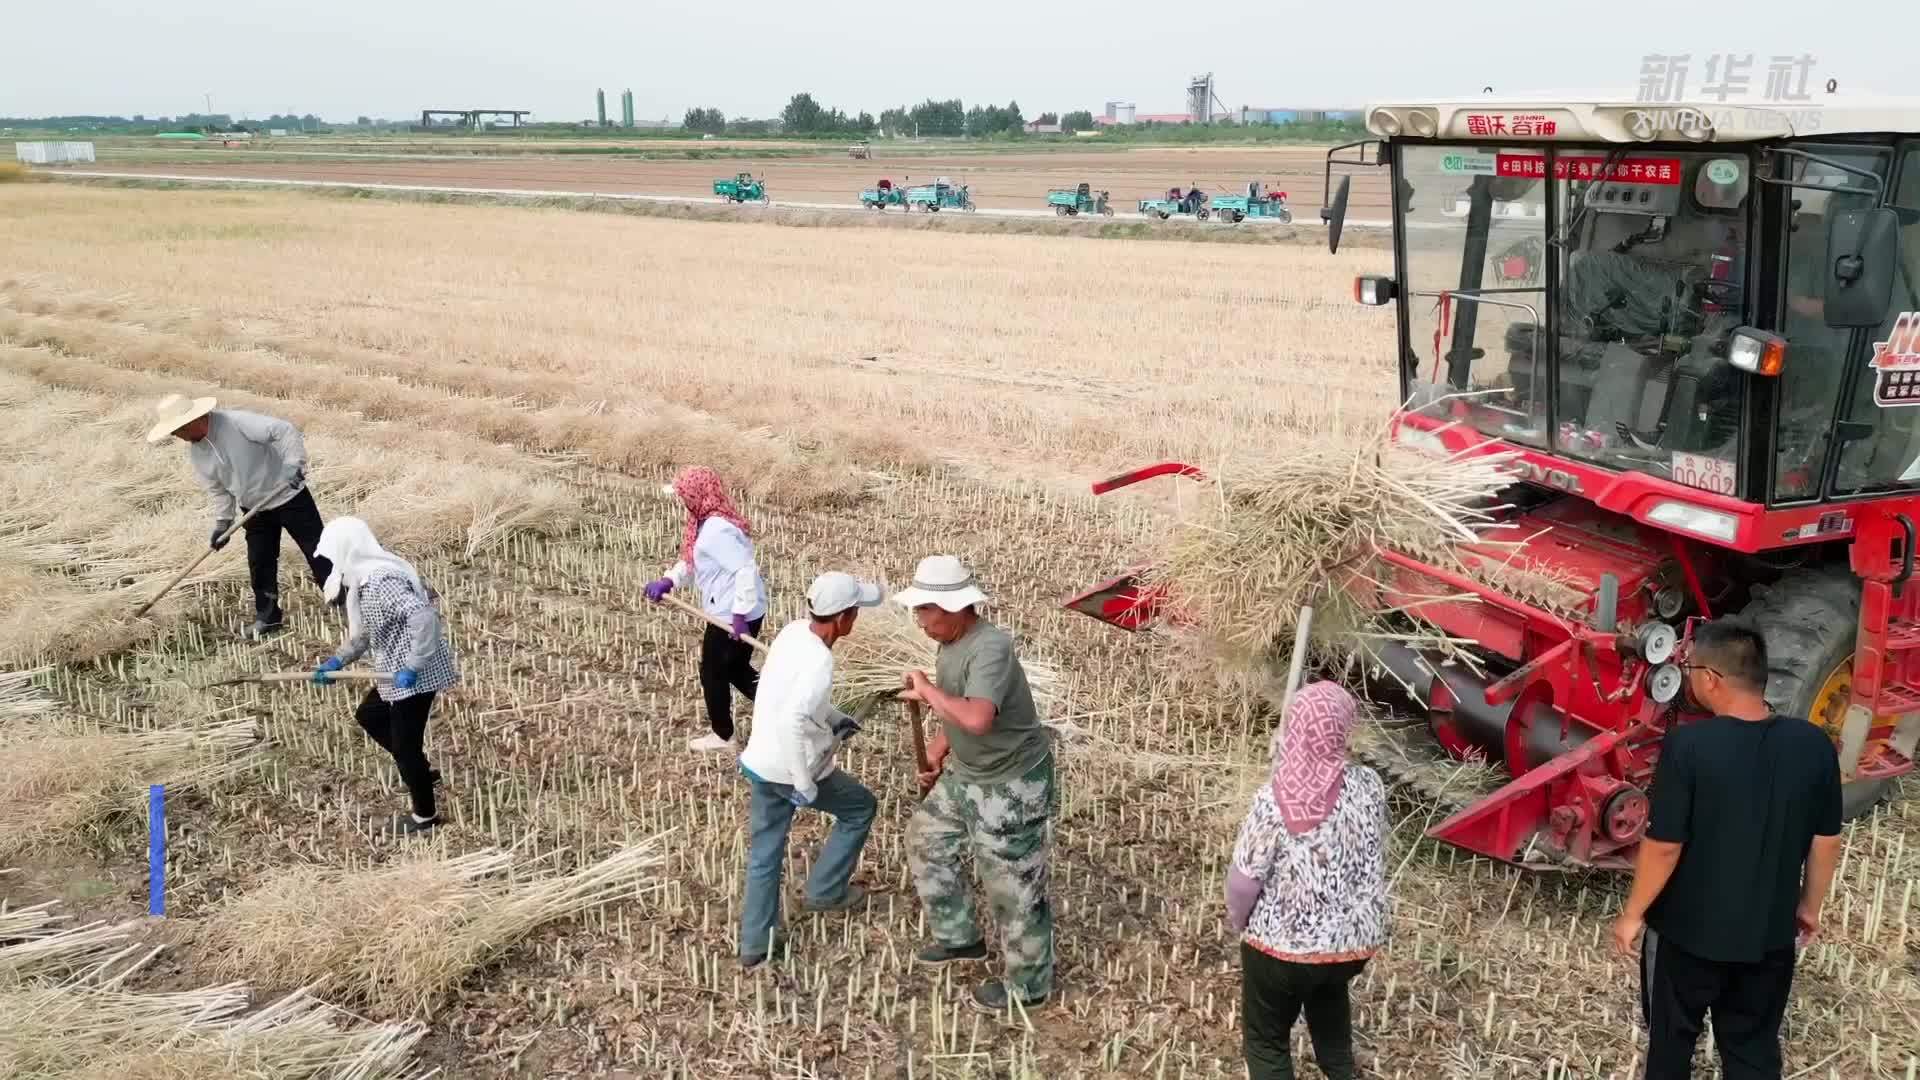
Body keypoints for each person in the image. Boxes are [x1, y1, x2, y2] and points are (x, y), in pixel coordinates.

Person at [1611, 620, 1843, 1079]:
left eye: (1691, 667)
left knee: (1671, 1045)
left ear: (1710, 679)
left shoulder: (1689, 746)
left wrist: (1633, 913)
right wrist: (1808, 908)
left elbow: (1664, 846)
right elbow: (1825, 840)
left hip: (1686, 939)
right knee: (1752, 1050)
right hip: (1769, 939)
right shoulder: (1814, 746)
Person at [897, 555, 1055, 1014]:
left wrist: (926, 691)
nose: (921, 620)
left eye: (928, 610)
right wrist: (936, 750)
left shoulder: (991, 648)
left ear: (957, 607)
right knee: (926, 840)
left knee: (1013, 885)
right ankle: (959, 938)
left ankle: (1030, 987)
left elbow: (978, 717)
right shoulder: (949, 641)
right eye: (919, 610)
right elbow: (958, 708)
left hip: (1009, 784)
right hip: (967, 775)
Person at [1228, 681, 1387, 1080]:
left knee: (1267, 1044)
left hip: (1282, 951)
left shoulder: (1274, 799)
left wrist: (1239, 922)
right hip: (1353, 945)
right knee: (1328, 1001)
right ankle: (1340, 1072)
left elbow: (1244, 881)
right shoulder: (1370, 785)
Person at [735, 571, 884, 969]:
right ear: (842, 619)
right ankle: (825, 891)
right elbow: (793, 720)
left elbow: (788, 697)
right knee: (860, 808)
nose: (857, 619)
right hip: (790, 767)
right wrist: (804, 783)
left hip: (760, 760)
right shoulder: (821, 660)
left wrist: (835, 718)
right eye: (855, 613)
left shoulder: (792, 632)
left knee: (765, 853)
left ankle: (754, 944)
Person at [310, 517, 459, 837]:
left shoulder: (383, 582)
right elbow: (363, 636)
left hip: (417, 673)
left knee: (405, 748)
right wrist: (336, 661)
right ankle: (419, 769)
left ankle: (425, 816)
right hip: (394, 669)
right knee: (370, 715)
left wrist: (414, 666)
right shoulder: (361, 582)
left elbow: (424, 617)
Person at [146, 394, 328, 639]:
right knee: (259, 562)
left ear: (190, 423)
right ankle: (268, 618)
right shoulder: (197, 453)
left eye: (176, 431)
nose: (174, 436)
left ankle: (344, 600)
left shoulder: (237, 423)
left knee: (318, 552)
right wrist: (223, 523)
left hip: (289, 497)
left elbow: (284, 430)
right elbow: (218, 490)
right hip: (253, 509)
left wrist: (292, 465)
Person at [644, 467, 768, 752]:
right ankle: (788, 709)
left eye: (683, 495)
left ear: (697, 494)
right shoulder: (703, 522)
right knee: (736, 670)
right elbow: (693, 561)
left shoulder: (715, 531)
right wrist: (669, 580)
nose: (681, 500)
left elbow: (745, 571)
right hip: (737, 608)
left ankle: (723, 736)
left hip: (732, 612)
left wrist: (739, 616)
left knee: (713, 673)